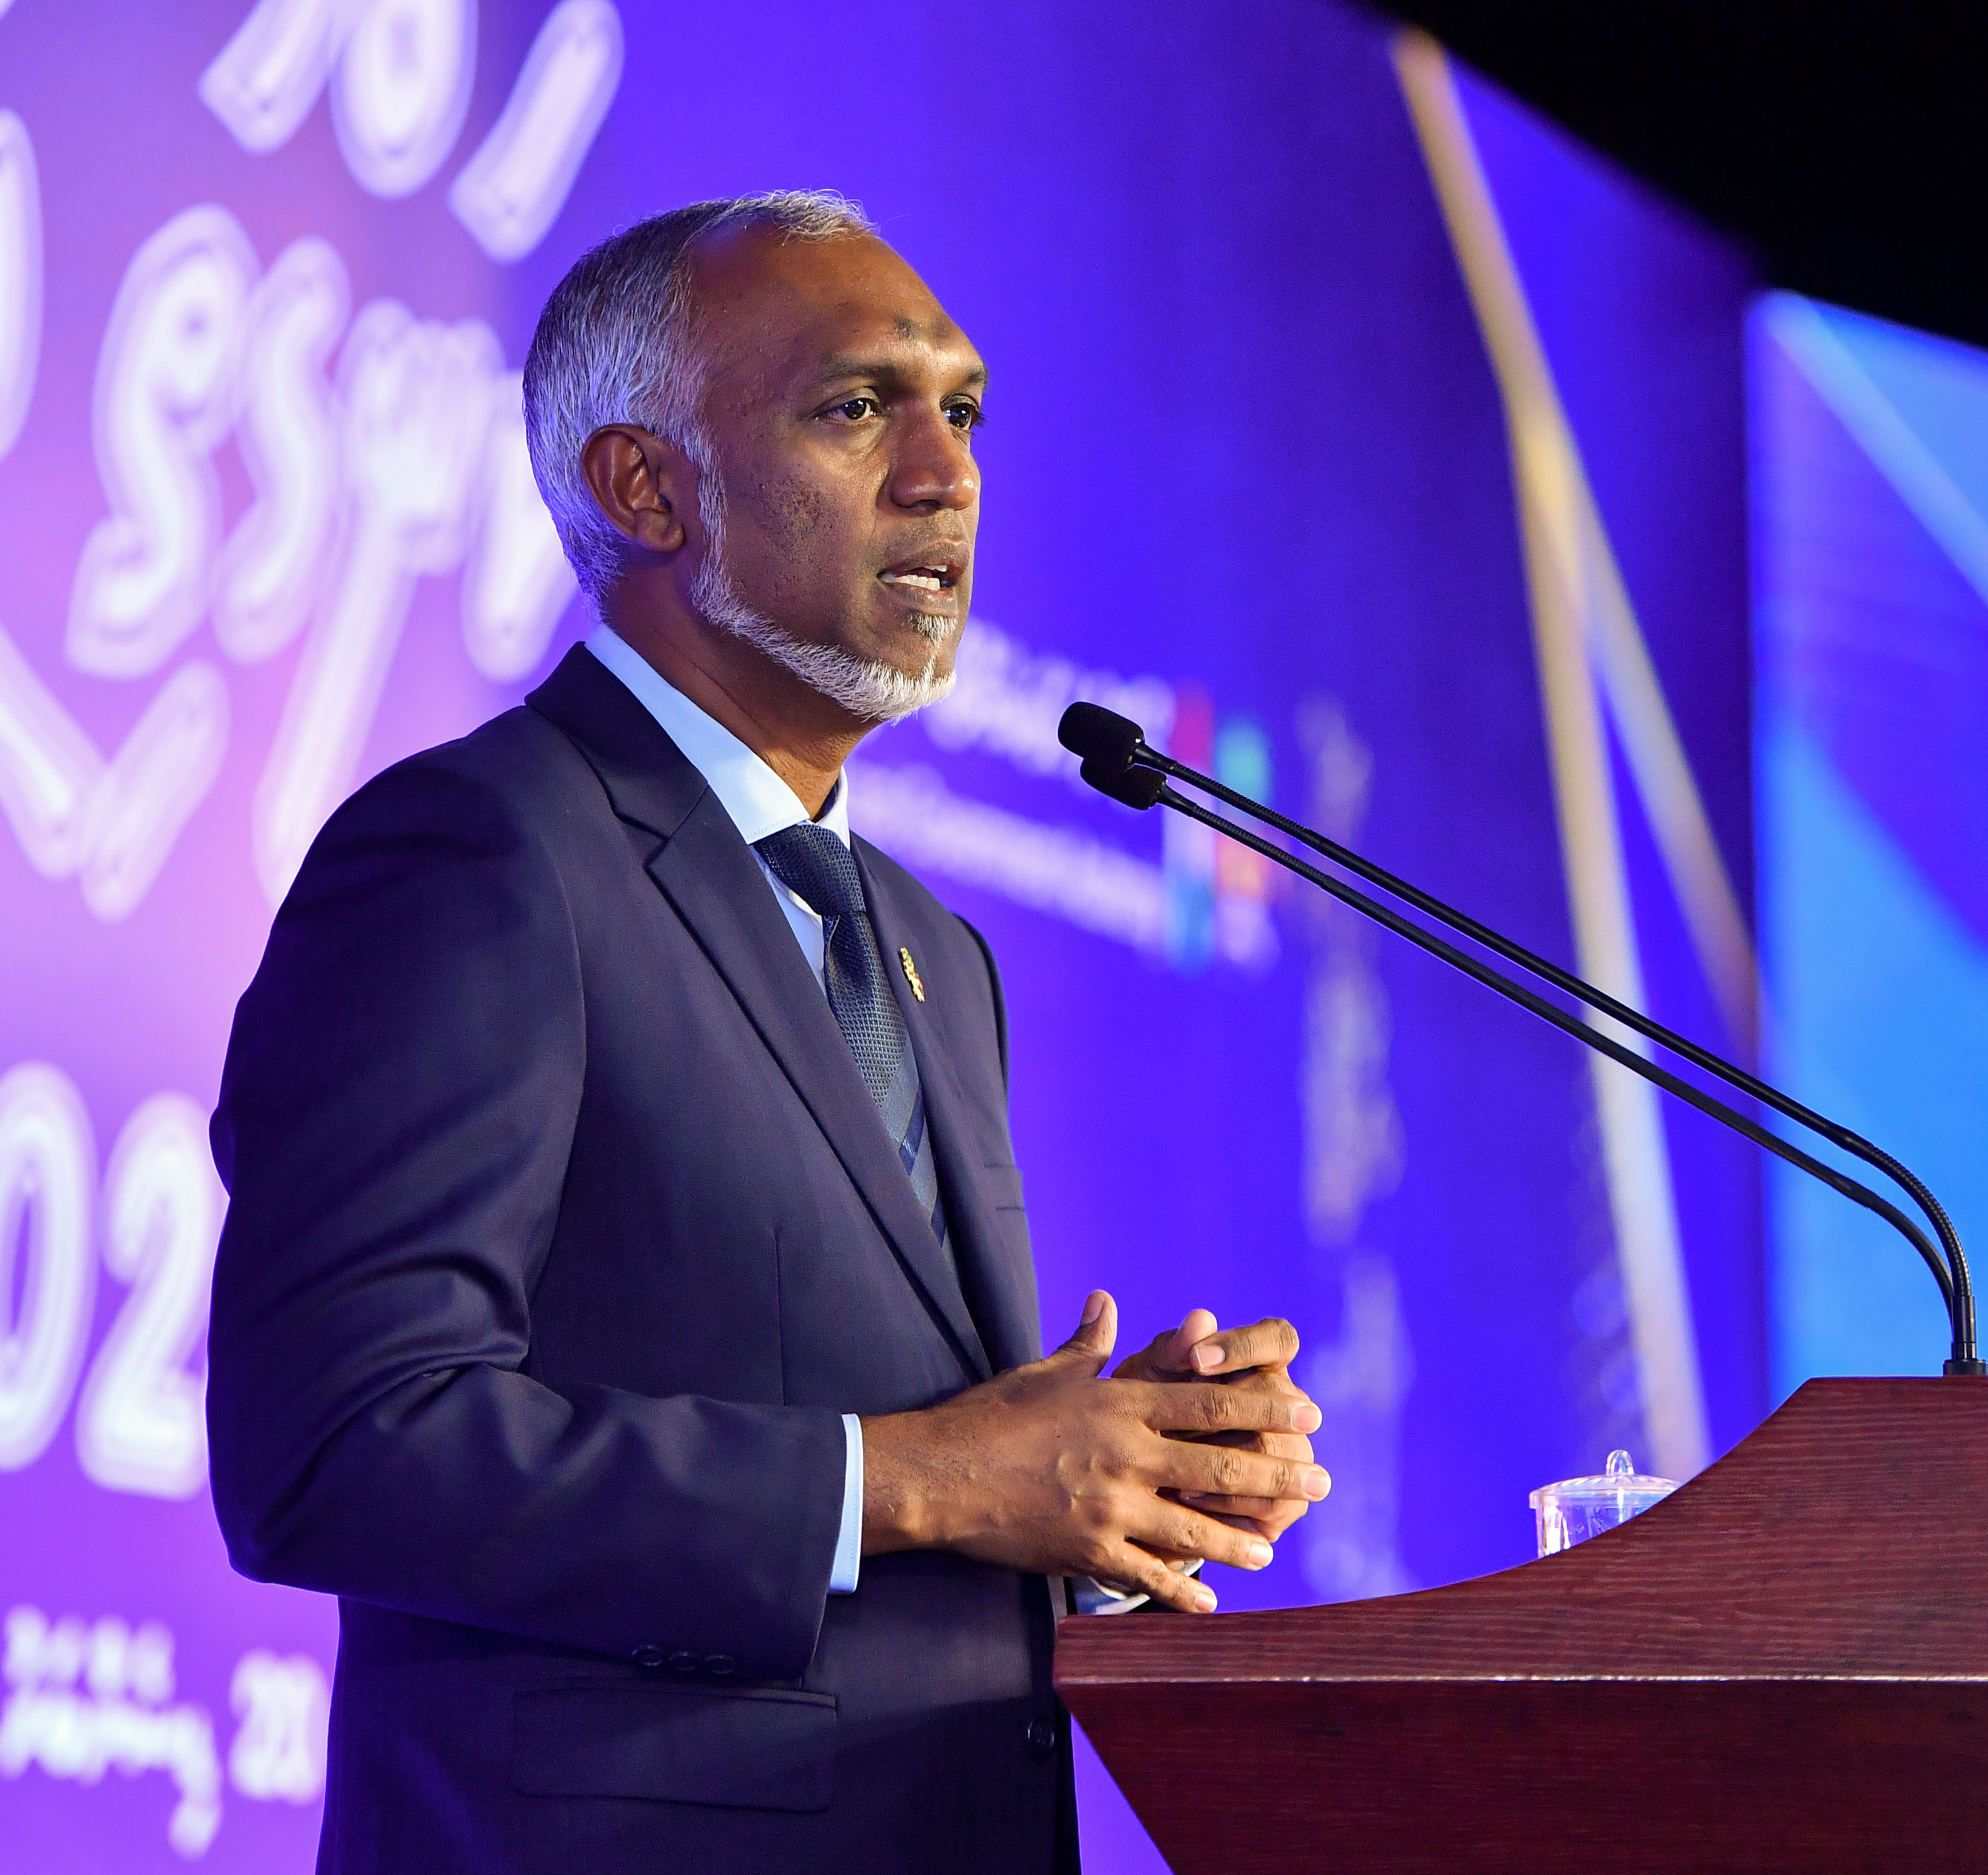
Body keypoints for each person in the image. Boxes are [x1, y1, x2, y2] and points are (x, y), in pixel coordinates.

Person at [207, 190, 1327, 1873]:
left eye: (962, 411)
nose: (945, 476)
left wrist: (1107, 1480)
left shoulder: (934, 951)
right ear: (646, 489)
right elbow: (336, 1445)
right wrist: (926, 1478)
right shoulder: (480, 855)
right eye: (857, 407)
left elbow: (910, 1472)